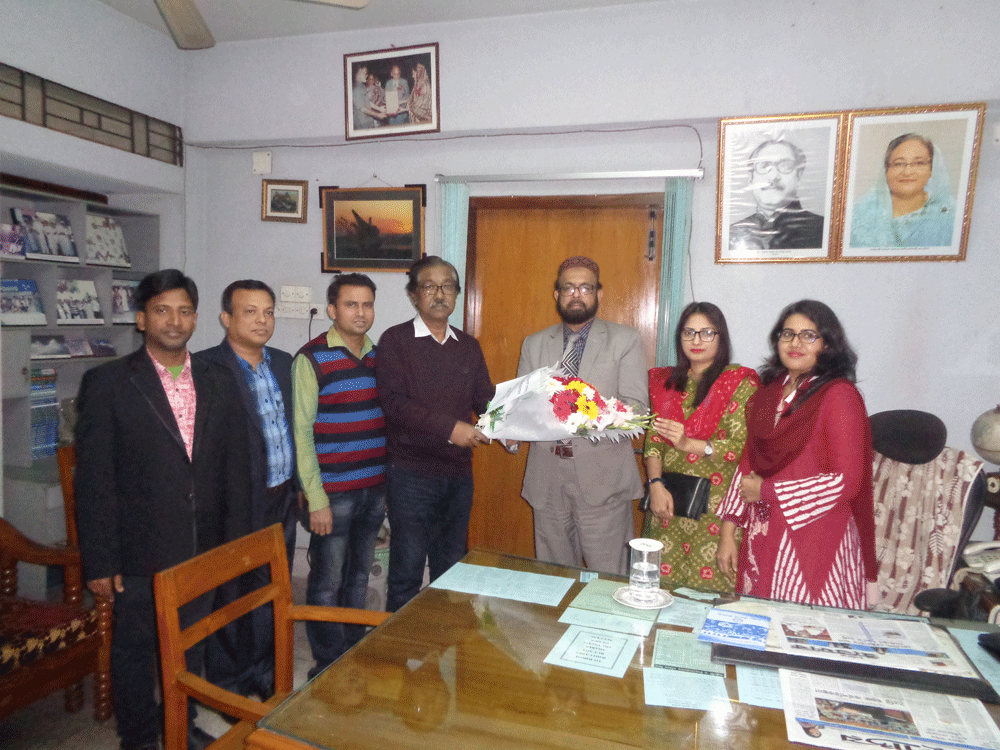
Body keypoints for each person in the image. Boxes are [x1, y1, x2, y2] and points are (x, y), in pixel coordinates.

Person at [75, 269, 250, 750]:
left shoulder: (219, 379)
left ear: (196, 319)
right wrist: (101, 560)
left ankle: (182, 720)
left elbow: (236, 467)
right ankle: (137, 735)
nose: (174, 321)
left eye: (184, 310)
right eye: (161, 310)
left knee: (191, 643)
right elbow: (93, 481)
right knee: (135, 650)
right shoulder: (108, 383)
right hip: (138, 551)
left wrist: (234, 548)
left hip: (202, 545)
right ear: (140, 318)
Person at [716, 299, 876, 608]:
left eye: (809, 335)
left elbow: (847, 480)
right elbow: (748, 462)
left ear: (827, 344)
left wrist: (768, 491)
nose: (795, 343)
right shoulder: (769, 394)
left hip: (814, 539)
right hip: (764, 531)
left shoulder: (839, 396)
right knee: (760, 625)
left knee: (804, 634)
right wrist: (728, 532)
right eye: (787, 334)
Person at [375, 256, 494, 611]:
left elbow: (485, 398)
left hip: (457, 475)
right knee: (407, 572)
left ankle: (443, 646)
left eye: (447, 286)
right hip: (410, 475)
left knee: (452, 569)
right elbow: (393, 403)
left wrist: (508, 427)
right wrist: (450, 429)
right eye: (429, 286)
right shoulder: (395, 340)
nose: (439, 294)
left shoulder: (468, 346)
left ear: (457, 294)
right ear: (414, 295)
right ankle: (402, 659)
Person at [517, 256, 648, 575]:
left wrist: (579, 412)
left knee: (609, 578)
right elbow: (520, 409)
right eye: (568, 287)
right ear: (557, 294)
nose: (577, 294)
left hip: (602, 480)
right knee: (554, 579)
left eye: (585, 287)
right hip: (547, 477)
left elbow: (637, 409)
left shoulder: (624, 340)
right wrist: (508, 432)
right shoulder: (534, 344)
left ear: (598, 294)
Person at [197, 279, 297, 698]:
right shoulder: (204, 368)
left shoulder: (282, 362)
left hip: (281, 497)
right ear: (226, 319)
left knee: (274, 586)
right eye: (250, 311)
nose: (262, 320)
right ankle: (226, 682)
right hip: (233, 502)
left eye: (268, 311)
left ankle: (262, 670)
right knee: (231, 592)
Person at [293, 273, 387, 676]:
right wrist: (316, 500)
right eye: (351, 304)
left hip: (374, 488)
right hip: (334, 494)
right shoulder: (311, 358)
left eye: (367, 304)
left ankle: (353, 647)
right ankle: (327, 659)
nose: (361, 313)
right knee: (327, 579)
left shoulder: (380, 356)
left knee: (358, 575)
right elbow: (301, 432)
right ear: (332, 310)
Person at [642, 302, 759, 592]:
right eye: (688, 332)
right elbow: (654, 440)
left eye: (707, 333)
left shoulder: (740, 383)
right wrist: (655, 485)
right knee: (661, 589)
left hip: (716, 508)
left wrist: (687, 443)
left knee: (712, 596)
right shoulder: (667, 383)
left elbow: (739, 448)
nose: (696, 341)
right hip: (669, 500)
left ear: (721, 338)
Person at [850, 132, 955, 248]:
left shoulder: (951, 217)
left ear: (931, 169)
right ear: (886, 169)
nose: (907, 172)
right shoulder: (856, 217)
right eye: (899, 163)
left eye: (919, 163)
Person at [729, 139, 825, 252]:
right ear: (751, 178)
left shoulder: (822, 230)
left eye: (785, 166)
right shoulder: (731, 233)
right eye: (764, 166)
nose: (774, 176)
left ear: (798, 177)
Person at [352, 65, 385, 129]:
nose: (366, 76)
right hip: (362, 123)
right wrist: (377, 115)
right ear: (358, 73)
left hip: (368, 121)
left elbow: (368, 102)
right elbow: (362, 109)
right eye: (365, 73)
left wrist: (379, 109)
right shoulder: (356, 89)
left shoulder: (362, 86)